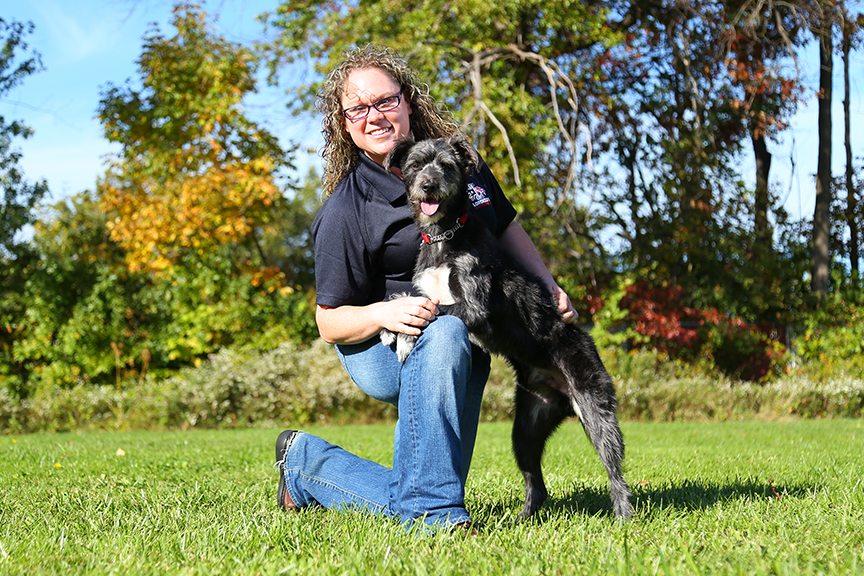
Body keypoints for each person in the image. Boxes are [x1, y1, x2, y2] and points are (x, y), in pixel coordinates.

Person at [275, 45, 577, 532]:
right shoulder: (346, 210)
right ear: (344, 123)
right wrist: (383, 315)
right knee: (446, 335)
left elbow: (504, 226)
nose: (373, 116)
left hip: (466, 335)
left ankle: (307, 464)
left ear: (408, 102)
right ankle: (436, 516)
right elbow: (329, 321)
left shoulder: (457, 162)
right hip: (382, 343)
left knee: (425, 480)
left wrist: (546, 282)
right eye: (357, 108)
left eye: (385, 101)